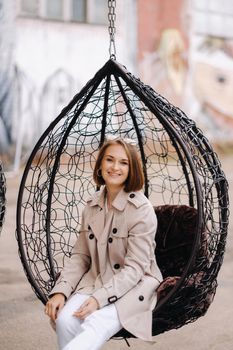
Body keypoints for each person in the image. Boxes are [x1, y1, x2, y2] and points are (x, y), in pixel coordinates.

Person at [45, 136, 162, 350]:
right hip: (97, 279)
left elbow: (135, 268)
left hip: (134, 284)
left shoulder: (141, 210)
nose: (115, 167)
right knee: (64, 320)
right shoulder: (91, 206)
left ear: (132, 168)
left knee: (95, 322)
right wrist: (60, 291)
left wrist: (99, 299)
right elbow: (81, 256)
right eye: (109, 160)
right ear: (100, 165)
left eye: (123, 162)